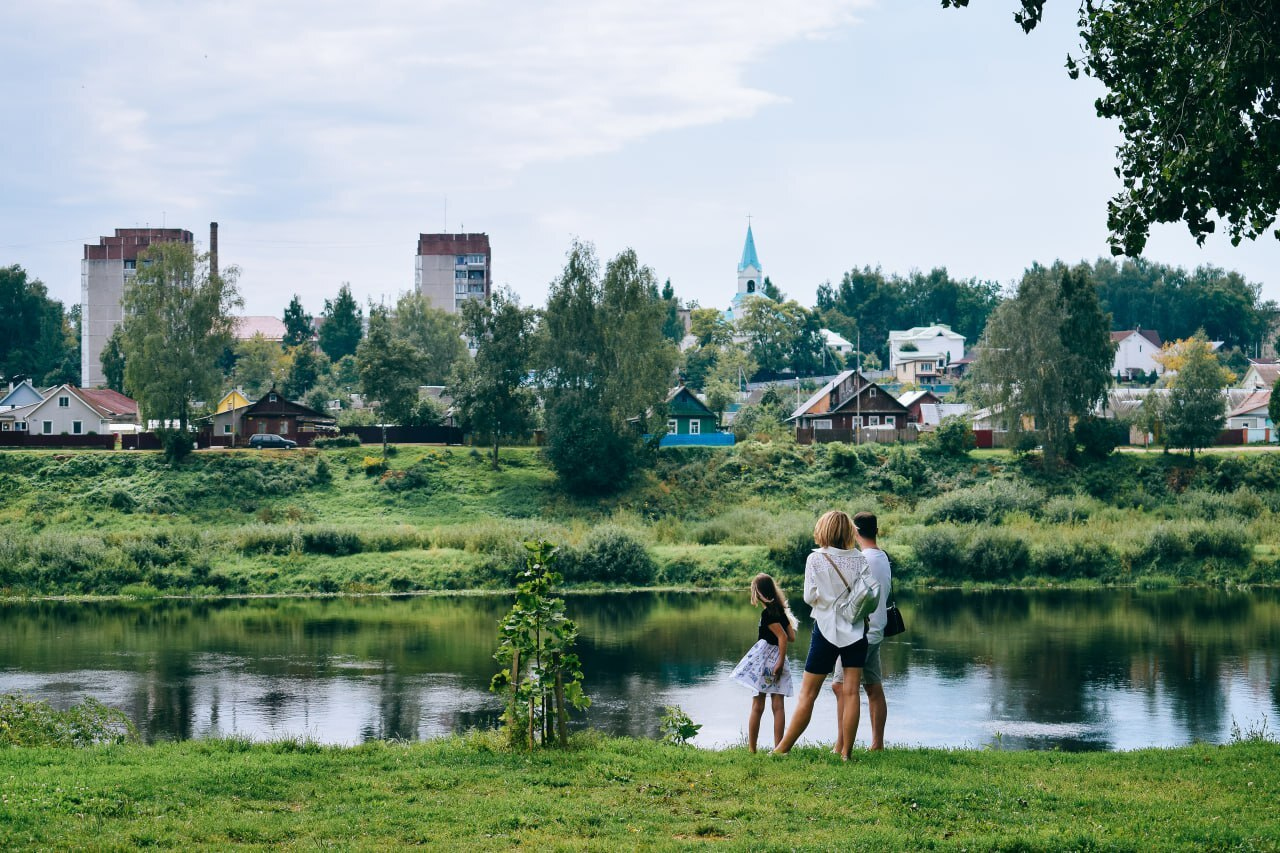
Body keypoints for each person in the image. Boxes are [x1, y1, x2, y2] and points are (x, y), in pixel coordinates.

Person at [772, 509, 873, 759]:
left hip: (826, 631)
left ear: (823, 530)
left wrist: (824, 599)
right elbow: (867, 594)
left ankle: (782, 749)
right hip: (856, 630)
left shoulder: (815, 559)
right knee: (851, 693)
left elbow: (808, 597)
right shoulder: (860, 559)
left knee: (808, 694)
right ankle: (846, 754)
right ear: (849, 531)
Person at [831, 511, 892, 753]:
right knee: (873, 687)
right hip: (876, 630)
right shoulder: (883, 557)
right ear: (876, 531)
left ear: (855, 531)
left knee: (840, 686)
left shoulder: (861, 559)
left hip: (859, 632)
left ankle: (842, 744)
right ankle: (877, 744)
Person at [729, 573, 797, 752]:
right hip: (777, 658)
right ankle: (779, 748)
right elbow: (792, 637)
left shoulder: (767, 614)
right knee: (778, 704)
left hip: (766, 661)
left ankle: (752, 749)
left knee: (758, 705)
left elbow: (783, 637)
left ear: (759, 593)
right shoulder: (780, 611)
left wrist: (779, 662)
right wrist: (780, 657)